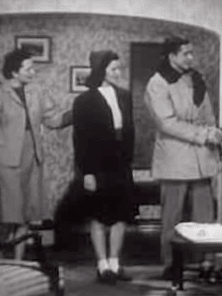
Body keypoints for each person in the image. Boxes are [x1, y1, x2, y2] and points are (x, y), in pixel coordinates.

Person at [0, 49, 72, 260]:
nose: (32, 72)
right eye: (28, 68)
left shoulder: (36, 92)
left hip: (32, 157)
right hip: (5, 160)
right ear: (14, 72)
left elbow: (53, 120)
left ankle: (18, 262)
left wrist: (78, 112)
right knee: (8, 215)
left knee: (26, 215)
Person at [144, 36, 222, 280]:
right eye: (186, 53)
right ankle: (172, 264)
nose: (191, 57)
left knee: (205, 216)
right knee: (173, 216)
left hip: (202, 157)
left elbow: (208, 115)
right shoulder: (157, 83)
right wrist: (203, 134)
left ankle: (207, 264)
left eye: (192, 53)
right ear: (172, 56)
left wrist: (214, 138)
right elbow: (167, 123)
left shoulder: (196, 79)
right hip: (175, 157)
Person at [71, 50, 134, 285]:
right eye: (114, 69)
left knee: (120, 215)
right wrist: (86, 171)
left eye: (120, 68)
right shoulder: (84, 100)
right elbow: (80, 139)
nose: (118, 73)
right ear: (101, 71)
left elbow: (130, 131)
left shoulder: (125, 96)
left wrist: (129, 161)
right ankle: (102, 265)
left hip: (120, 163)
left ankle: (115, 264)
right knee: (98, 216)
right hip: (97, 163)